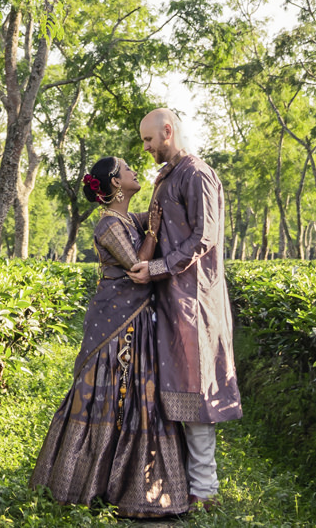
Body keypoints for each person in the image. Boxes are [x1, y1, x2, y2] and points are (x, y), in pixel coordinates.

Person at [30, 155, 191, 518]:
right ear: (116, 183)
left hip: (137, 320)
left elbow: (156, 217)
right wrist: (152, 231)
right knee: (108, 392)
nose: (135, 170)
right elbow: (138, 266)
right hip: (115, 324)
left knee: (138, 395)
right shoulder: (107, 225)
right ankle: (89, 483)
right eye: (127, 168)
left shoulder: (124, 219)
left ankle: (130, 483)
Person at [129, 108, 240, 512]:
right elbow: (156, 225)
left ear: (168, 132)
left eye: (147, 140)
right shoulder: (167, 177)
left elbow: (204, 238)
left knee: (196, 398)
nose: (146, 148)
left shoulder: (197, 174)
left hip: (195, 303)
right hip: (170, 301)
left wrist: (158, 267)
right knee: (174, 394)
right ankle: (181, 487)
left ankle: (205, 492)